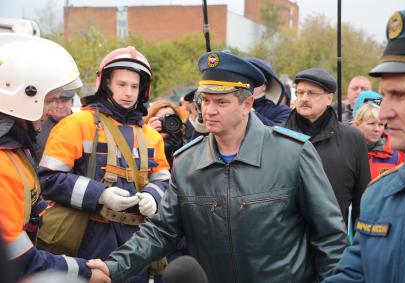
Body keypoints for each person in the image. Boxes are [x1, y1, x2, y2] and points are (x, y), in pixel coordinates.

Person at [87, 51, 348, 283]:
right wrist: (114, 267)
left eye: (221, 102)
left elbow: (329, 237)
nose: (209, 110)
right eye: (206, 101)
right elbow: (162, 230)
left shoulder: (293, 153)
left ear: (247, 104)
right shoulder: (187, 161)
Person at [37, 46, 170, 282]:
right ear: (106, 83)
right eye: (122, 85)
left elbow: (163, 179)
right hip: (89, 237)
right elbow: (48, 179)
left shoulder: (150, 135)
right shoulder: (76, 124)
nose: (129, 93)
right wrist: (100, 195)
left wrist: (154, 196)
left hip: (137, 241)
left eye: (134, 86)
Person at [324, 10, 405, 283]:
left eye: (400, 95)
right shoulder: (380, 195)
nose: (383, 114)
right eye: (384, 96)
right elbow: (353, 274)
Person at [0, 33, 109, 282]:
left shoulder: (17, 152)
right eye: (47, 101)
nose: (50, 110)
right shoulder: (4, 165)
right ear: (22, 99)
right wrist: (84, 271)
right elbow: (21, 261)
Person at [285, 68, 371, 226]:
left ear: (329, 98)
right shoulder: (278, 136)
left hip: (334, 241)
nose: (304, 98)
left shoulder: (352, 138)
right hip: (286, 243)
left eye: (312, 93)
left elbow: (362, 200)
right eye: (300, 92)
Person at [353, 102, 405, 179]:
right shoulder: (346, 150)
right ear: (357, 125)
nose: (377, 129)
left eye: (381, 124)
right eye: (371, 124)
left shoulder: (397, 153)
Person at [245, 57, 292, 125]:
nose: (245, 84)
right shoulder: (230, 104)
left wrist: (249, 112)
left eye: (252, 80)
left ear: (264, 87)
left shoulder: (282, 111)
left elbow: (279, 132)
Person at [35, 89, 75, 163]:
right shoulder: (37, 123)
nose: (60, 106)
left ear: (72, 102)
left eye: (64, 101)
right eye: (56, 101)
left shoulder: (80, 125)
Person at [145, 99, 185, 166]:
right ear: (151, 120)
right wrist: (148, 137)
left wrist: (180, 150)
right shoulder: (142, 137)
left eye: (171, 118)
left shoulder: (182, 141)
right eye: (161, 119)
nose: (167, 123)